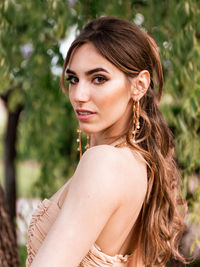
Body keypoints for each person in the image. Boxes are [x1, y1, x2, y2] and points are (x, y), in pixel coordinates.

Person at [26, 17, 187, 267]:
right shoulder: (140, 163)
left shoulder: (104, 162)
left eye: (98, 78)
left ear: (140, 85)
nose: (78, 95)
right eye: (73, 79)